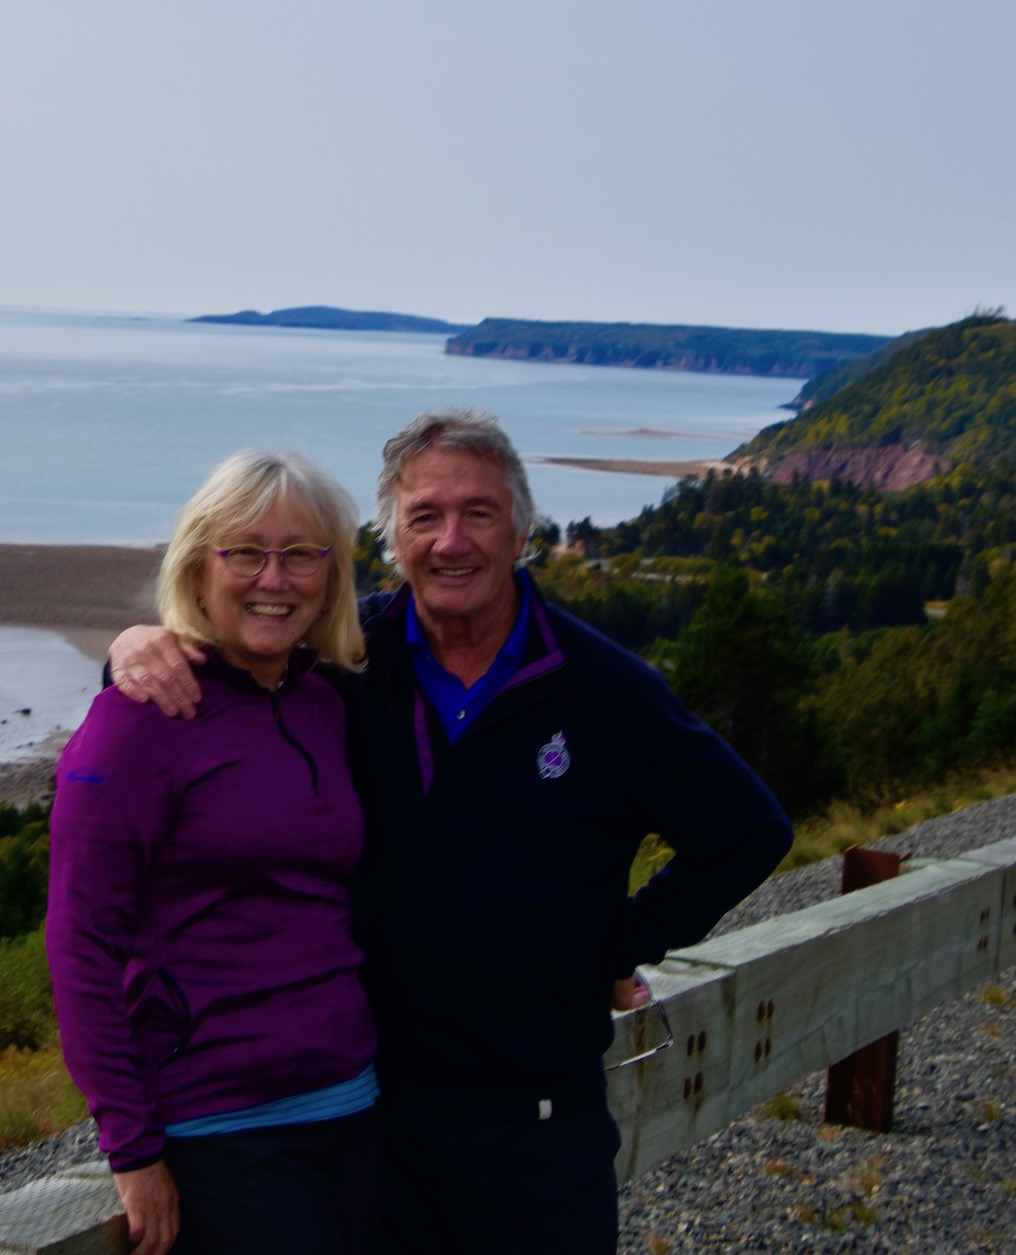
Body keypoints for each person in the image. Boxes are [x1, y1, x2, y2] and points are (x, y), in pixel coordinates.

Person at [110, 409, 792, 1254]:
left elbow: (748, 828)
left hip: (538, 1131)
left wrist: (615, 941)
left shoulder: (601, 687)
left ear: (522, 529)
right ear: (391, 536)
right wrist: (135, 646)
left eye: (479, 512)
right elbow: (223, 656)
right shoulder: (345, 660)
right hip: (376, 1120)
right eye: (424, 516)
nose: (451, 541)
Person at [48, 449, 382, 1255]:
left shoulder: (323, 702)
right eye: (245, 551)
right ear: (199, 566)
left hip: (358, 1109)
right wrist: (132, 1149)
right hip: (221, 1127)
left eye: (302, 553)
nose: (276, 577)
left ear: (331, 574)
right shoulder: (139, 720)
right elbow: (79, 941)